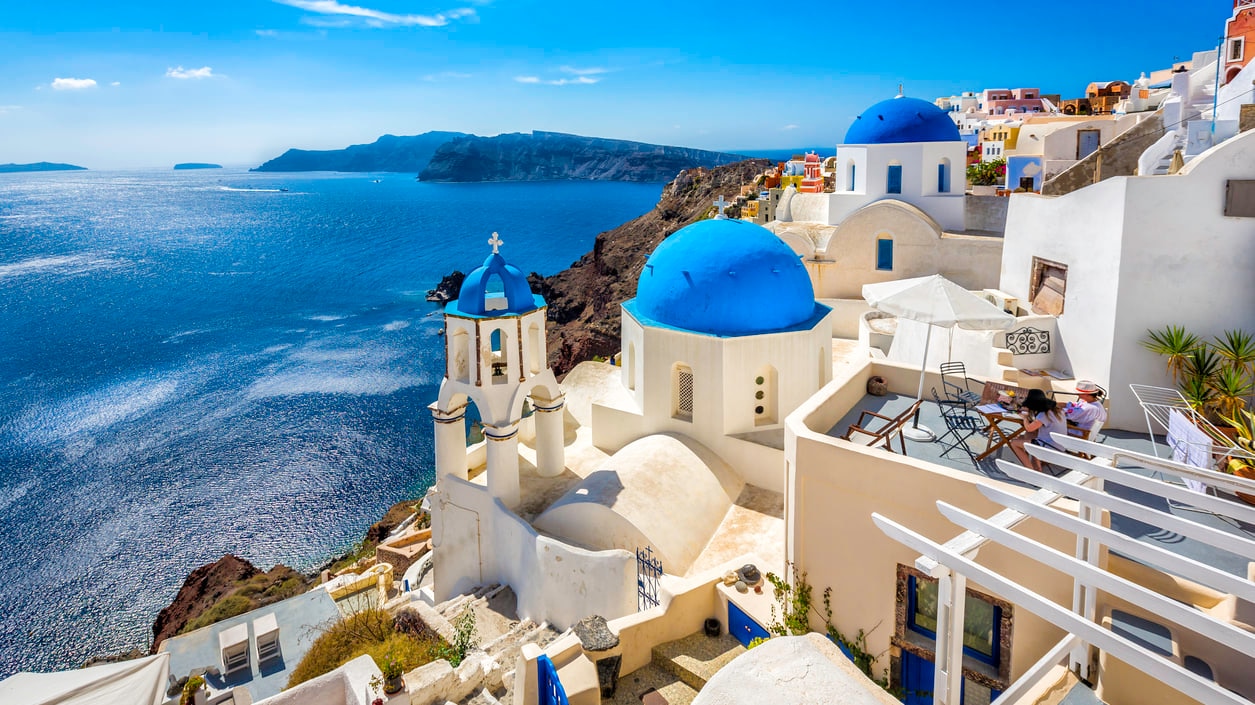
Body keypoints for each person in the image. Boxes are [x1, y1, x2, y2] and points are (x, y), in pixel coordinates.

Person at [1010, 389, 1068, 472]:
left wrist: (1025, 418)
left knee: (1014, 443)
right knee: (1029, 436)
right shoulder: (1058, 411)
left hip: (1049, 447)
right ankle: (1037, 467)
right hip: (1060, 446)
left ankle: (1030, 470)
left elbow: (1029, 428)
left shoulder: (1043, 415)